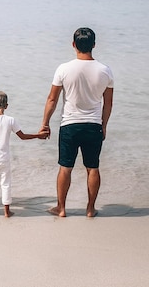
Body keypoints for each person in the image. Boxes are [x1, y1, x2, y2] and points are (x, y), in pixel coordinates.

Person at [40, 27, 114, 218]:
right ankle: (90, 208)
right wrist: (103, 125)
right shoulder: (105, 71)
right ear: (94, 45)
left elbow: (52, 99)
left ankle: (61, 208)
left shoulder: (63, 69)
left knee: (65, 167)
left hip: (70, 125)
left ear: (73, 44)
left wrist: (45, 123)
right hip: (93, 125)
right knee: (93, 167)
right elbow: (108, 103)